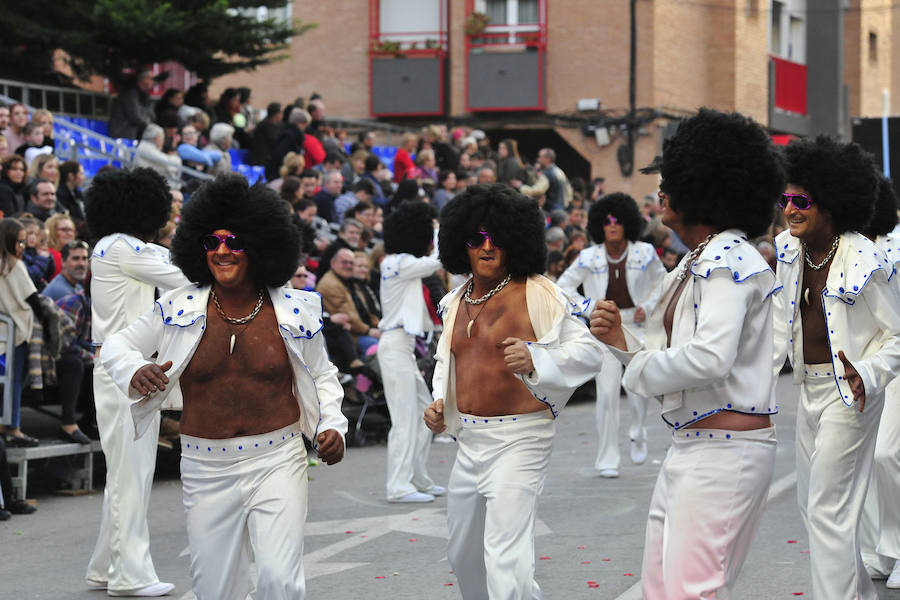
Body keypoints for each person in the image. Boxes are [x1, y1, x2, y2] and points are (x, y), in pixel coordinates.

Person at [100, 174, 347, 600]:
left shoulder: (295, 309)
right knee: (216, 591)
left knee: (280, 582)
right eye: (210, 243)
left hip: (277, 458)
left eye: (233, 241)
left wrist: (334, 426)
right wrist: (134, 368)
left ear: (258, 243)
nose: (221, 251)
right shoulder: (177, 306)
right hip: (203, 465)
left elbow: (323, 374)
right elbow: (118, 344)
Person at [591, 108, 785, 598]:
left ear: (704, 189)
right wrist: (620, 343)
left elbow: (709, 359)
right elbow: (667, 354)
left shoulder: (728, 260)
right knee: (662, 590)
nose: (661, 192)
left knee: (686, 592)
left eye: (671, 182)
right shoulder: (693, 263)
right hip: (693, 446)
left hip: (724, 453)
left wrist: (633, 362)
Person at [424, 184, 605, 598]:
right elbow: (447, 363)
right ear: (460, 245)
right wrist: (439, 405)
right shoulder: (454, 301)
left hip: (521, 438)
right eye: (475, 239)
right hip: (468, 441)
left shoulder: (539, 292)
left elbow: (590, 351)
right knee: (463, 555)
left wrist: (537, 360)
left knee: (506, 558)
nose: (486, 248)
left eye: (497, 238)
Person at [773, 135, 900, 600]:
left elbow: (897, 336)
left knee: (827, 509)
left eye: (801, 200)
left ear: (830, 202)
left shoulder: (866, 259)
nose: (790, 209)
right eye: (785, 199)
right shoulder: (788, 251)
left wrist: (868, 373)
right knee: (815, 509)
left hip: (852, 394)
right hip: (806, 390)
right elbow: (774, 326)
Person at [84, 168, 188, 597]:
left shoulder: (111, 246)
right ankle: (131, 576)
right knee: (132, 475)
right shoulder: (126, 248)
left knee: (124, 474)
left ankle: (104, 568)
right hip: (126, 371)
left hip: (121, 369)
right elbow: (187, 277)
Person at [558, 192, 666, 476]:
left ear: (628, 222)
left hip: (635, 325)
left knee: (639, 386)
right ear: (599, 225)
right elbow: (563, 287)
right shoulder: (587, 256)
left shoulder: (645, 252)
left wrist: (649, 306)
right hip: (604, 328)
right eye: (607, 221)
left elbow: (663, 282)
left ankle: (639, 431)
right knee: (606, 394)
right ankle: (607, 458)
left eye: (618, 220)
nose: (613, 225)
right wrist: (589, 307)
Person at [377, 201, 443, 502]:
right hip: (394, 347)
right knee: (405, 418)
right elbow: (436, 261)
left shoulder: (402, 265)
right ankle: (398, 486)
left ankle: (417, 478)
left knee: (423, 412)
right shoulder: (395, 263)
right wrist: (443, 230)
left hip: (403, 350)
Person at [859, 176, 900, 588]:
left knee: (890, 455)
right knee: (867, 460)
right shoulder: (841, 250)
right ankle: (880, 549)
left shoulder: (894, 245)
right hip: (862, 367)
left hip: (897, 363)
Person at [0, 218, 51, 447]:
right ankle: (14, 427)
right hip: (17, 331)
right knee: (15, 381)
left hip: (4, 330)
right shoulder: (13, 264)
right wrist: (48, 323)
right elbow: (33, 298)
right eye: (19, 242)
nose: (22, 247)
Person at [41, 240, 92, 444]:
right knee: (79, 363)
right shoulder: (65, 292)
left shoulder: (78, 285)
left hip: (67, 347)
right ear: (63, 262)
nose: (81, 263)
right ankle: (71, 424)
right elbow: (65, 342)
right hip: (49, 353)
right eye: (75, 258)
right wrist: (94, 355)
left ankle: (91, 421)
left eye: (84, 258)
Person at [108, 71, 154, 140]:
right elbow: (135, 117)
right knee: (157, 131)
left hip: (136, 132)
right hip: (123, 133)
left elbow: (150, 115)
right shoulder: (131, 94)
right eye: (151, 78)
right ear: (145, 79)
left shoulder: (144, 96)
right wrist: (148, 124)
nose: (153, 81)